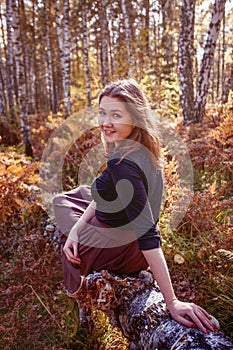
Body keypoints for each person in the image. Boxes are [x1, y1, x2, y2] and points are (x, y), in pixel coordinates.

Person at [53, 78, 216, 334]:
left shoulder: (123, 165)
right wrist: (76, 230)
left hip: (124, 246)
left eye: (115, 115)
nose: (105, 122)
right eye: (102, 113)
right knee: (68, 199)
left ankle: (83, 287)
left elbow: (148, 233)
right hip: (126, 234)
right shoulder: (142, 148)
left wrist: (172, 301)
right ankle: (76, 232)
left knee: (63, 212)